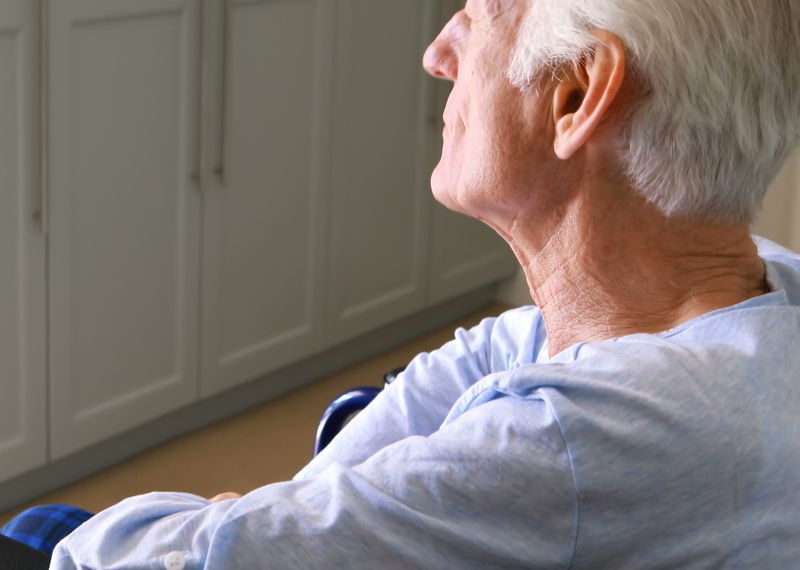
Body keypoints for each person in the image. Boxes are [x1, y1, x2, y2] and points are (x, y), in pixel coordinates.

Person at [41, 0, 800, 567]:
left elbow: (180, 559)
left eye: (478, 15)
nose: (439, 52)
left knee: (39, 533)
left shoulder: (583, 439)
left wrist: (256, 523)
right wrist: (293, 515)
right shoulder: (761, 293)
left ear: (575, 95)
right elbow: (494, 347)